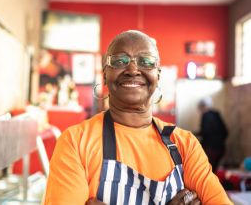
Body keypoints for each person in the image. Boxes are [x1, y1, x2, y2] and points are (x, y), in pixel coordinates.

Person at [44, 30, 231, 204]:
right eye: (119, 61)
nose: (133, 69)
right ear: (105, 74)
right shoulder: (76, 142)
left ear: (157, 74)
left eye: (146, 61)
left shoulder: (184, 144)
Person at [197, 97, 228, 172]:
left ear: (203, 106)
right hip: (221, 148)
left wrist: (192, 134)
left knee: (208, 170)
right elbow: (226, 132)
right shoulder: (216, 115)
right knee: (214, 170)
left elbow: (205, 132)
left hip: (211, 149)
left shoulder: (206, 116)